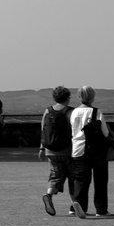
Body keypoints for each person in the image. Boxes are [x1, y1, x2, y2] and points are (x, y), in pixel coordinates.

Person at [69, 85, 113, 218]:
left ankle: (78, 205)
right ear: (92, 97)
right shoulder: (96, 112)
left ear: (79, 97)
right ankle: (101, 209)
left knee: (81, 180)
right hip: (96, 149)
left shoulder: (74, 112)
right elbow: (105, 133)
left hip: (78, 149)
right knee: (100, 179)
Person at [39, 85, 75, 216]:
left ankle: (48, 194)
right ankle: (73, 205)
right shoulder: (71, 111)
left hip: (51, 150)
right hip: (68, 150)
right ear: (67, 97)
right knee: (73, 177)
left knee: (55, 176)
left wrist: (42, 148)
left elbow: (43, 131)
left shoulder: (47, 111)